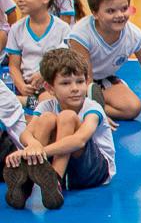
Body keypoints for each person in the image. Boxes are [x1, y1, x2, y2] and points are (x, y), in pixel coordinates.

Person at [5, 47, 115, 209]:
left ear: (87, 82)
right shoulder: (46, 105)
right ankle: (26, 185)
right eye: (65, 83)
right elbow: (25, 134)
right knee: (47, 118)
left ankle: (54, 180)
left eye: (80, 82)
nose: (75, 88)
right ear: (50, 88)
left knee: (67, 116)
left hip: (94, 172)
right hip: (65, 168)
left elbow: (79, 140)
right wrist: (32, 146)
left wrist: (39, 152)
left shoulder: (92, 108)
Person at [5, 0, 72, 107]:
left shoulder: (62, 28)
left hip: (52, 84)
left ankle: (28, 102)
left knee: (53, 97)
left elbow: (63, 62)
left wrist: (43, 74)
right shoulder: (17, 28)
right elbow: (13, 66)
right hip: (27, 86)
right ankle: (31, 101)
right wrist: (21, 86)